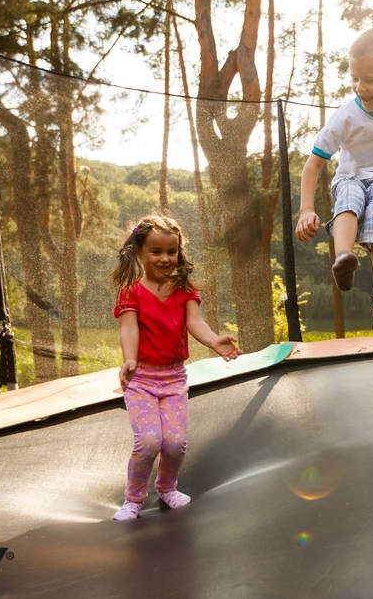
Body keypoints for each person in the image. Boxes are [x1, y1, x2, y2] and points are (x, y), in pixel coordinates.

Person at [109, 215, 241, 521]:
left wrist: (214, 342)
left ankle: (167, 487)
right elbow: (129, 329)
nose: (165, 258)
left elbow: (195, 323)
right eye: (156, 251)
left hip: (173, 377)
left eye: (171, 251)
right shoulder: (131, 290)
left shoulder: (184, 287)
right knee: (149, 442)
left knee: (175, 443)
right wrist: (129, 359)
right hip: (141, 377)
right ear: (140, 252)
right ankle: (134, 499)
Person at [295, 26, 373, 333]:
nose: (360, 88)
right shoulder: (345, 116)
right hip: (351, 176)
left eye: (369, 80)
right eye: (355, 79)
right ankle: (344, 260)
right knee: (349, 201)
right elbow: (312, 166)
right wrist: (306, 209)